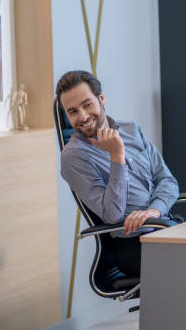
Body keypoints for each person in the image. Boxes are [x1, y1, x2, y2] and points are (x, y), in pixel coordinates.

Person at [56, 70, 179, 276]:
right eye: (73, 111)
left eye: (87, 105)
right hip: (135, 246)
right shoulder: (73, 156)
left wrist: (154, 211)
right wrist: (117, 156)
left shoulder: (131, 129)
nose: (83, 116)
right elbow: (112, 215)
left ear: (101, 99)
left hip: (167, 226)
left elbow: (166, 180)